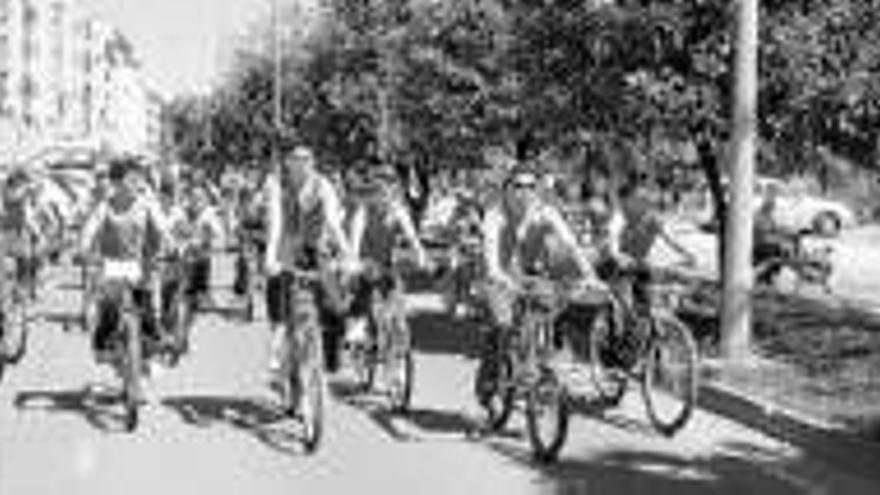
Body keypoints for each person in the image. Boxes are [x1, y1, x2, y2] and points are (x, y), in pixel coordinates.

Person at [264, 145, 357, 392]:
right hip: (287, 252)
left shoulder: (322, 185)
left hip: (316, 250)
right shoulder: (278, 186)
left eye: (307, 159)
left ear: (313, 163)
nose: (302, 164)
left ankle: (333, 355)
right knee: (284, 312)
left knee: (335, 300)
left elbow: (333, 223)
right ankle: (279, 362)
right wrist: (271, 257)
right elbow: (276, 223)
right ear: (288, 163)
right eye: (296, 160)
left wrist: (348, 254)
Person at [480, 164, 602, 341]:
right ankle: (497, 358)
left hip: (532, 275)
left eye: (530, 186)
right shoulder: (495, 214)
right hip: (501, 278)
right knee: (503, 326)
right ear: (508, 188)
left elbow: (571, 245)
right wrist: (497, 274)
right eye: (518, 186)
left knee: (555, 311)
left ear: (537, 190)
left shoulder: (546, 212)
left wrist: (590, 276)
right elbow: (490, 251)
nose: (525, 192)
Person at [79, 157, 174, 371]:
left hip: (140, 263)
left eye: (138, 179)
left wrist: (170, 244)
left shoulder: (146, 203)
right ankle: (103, 343)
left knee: (146, 307)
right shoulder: (105, 206)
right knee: (110, 306)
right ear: (117, 182)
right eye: (132, 179)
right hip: (111, 263)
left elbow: (162, 227)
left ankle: (150, 344)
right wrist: (83, 250)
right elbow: (90, 229)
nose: (137, 184)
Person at [343, 165, 429, 343]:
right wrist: (352, 261)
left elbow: (412, 236)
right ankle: (359, 324)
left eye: (388, 188)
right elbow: (355, 239)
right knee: (363, 289)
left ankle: (399, 351)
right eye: (377, 189)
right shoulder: (363, 212)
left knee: (396, 306)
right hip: (366, 264)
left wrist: (420, 254)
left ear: (393, 190)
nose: (382, 194)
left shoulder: (398, 211)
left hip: (388, 264)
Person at [0, 169, 41, 356]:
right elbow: (34, 227)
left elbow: (33, 226)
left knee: (14, 292)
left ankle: (16, 322)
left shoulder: (19, 204)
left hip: (15, 255)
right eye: (22, 188)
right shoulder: (22, 204)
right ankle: (20, 314)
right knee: (15, 293)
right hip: (14, 254)